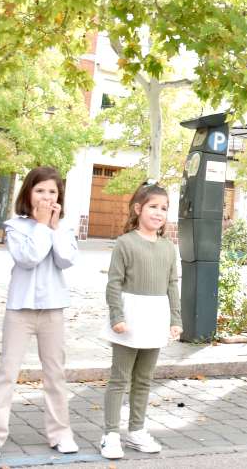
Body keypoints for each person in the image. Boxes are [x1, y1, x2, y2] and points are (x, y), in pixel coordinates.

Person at [0, 166, 79, 459]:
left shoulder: (65, 228)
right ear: (28, 193)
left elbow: (66, 260)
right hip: (20, 309)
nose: (46, 197)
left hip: (53, 310)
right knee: (6, 373)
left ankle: (61, 433)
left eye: (52, 191)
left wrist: (54, 227)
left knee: (55, 374)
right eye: (40, 190)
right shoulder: (15, 226)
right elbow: (29, 258)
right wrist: (43, 226)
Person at [100, 183, 182, 460]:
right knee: (119, 378)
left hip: (155, 317)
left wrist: (176, 319)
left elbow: (172, 284)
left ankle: (136, 430)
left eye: (164, 208)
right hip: (130, 315)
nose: (159, 213)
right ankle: (110, 433)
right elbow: (114, 283)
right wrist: (116, 316)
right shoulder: (125, 243)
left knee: (144, 379)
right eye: (153, 207)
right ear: (138, 209)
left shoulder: (169, 248)